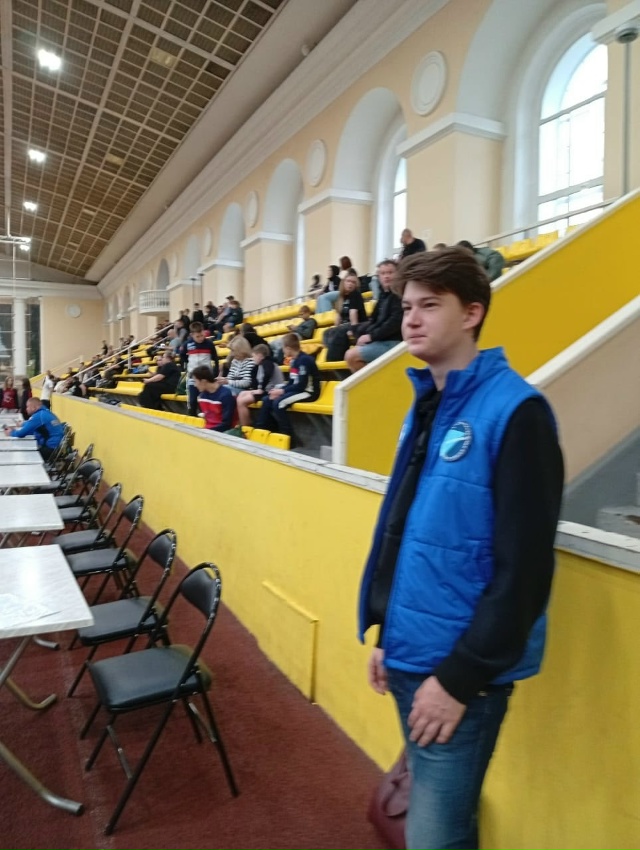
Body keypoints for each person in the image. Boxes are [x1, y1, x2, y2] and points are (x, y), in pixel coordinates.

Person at [358, 247, 564, 850]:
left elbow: (524, 572)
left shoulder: (517, 412)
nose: (411, 319)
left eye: (429, 305)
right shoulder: (428, 403)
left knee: (433, 838)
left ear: (472, 313)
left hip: (457, 675)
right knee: (445, 826)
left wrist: (458, 679)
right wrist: (387, 628)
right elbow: (407, 532)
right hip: (411, 652)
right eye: (406, 307)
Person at [257, 333, 320, 442]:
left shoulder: (305, 360)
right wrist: (278, 390)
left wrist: (282, 391)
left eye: (283, 348)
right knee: (267, 399)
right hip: (297, 390)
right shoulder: (294, 361)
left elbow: (301, 385)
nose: (282, 350)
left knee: (278, 403)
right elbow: (291, 382)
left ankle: (288, 438)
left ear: (289, 348)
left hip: (308, 392)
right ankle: (262, 430)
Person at [344, 260, 403, 372]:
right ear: (379, 277)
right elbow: (373, 320)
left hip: (395, 342)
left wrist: (371, 336)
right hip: (381, 339)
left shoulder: (399, 295)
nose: (386, 276)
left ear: (397, 274)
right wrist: (363, 333)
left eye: (390, 272)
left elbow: (394, 323)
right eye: (383, 273)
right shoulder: (383, 296)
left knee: (351, 356)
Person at [323, 271, 367, 362]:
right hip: (344, 326)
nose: (350, 284)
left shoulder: (355, 294)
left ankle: (334, 361)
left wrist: (353, 329)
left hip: (357, 325)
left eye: (353, 282)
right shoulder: (341, 297)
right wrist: (334, 328)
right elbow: (338, 315)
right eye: (348, 281)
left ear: (356, 285)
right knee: (326, 333)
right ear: (343, 282)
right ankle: (334, 357)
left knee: (339, 332)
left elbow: (353, 313)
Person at [236, 344, 284, 427]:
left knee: (242, 401)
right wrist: (255, 389)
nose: (253, 359)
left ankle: (245, 426)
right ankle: (245, 422)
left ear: (260, 356)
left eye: (254, 356)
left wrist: (260, 389)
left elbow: (267, 374)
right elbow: (256, 381)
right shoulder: (259, 366)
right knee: (241, 394)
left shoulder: (268, 363)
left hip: (272, 390)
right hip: (265, 390)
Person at [180, 321, 220, 416]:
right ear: (192, 335)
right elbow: (182, 355)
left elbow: (215, 358)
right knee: (192, 400)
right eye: (197, 336)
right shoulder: (187, 344)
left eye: (202, 335)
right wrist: (187, 364)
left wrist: (215, 372)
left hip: (206, 376)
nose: (201, 338)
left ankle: (209, 417)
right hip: (193, 376)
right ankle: (192, 416)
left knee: (206, 398)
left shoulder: (209, 344)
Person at [192, 365, 236, 432]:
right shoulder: (202, 397)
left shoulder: (225, 395)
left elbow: (226, 424)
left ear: (203, 381)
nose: (195, 385)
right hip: (208, 431)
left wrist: (207, 431)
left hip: (221, 433)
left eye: (195, 381)